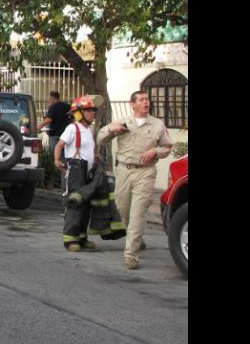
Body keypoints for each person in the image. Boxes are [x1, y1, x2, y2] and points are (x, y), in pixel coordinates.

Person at [97, 90, 172, 270]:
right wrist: (110, 129)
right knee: (123, 209)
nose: (146, 102)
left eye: (147, 99)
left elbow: (167, 147)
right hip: (124, 170)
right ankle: (137, 239)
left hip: (145, 172)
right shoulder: (123, 122)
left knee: (138, 212)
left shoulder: (157, 125)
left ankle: (131, 254)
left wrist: (155, 151)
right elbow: (101, 139)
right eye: (141, 100)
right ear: (133, 104)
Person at [54, 95, 99, 252]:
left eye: (94, 110)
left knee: (86, 205)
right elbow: (59, 146)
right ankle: (70, 239)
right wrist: (57, 160)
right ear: (79, 113)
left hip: (88, 172)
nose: (93, 113)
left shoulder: (89, 130)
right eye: (89, 110)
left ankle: (82, 238)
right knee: (75, 203)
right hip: (75, 171)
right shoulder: (72, 128)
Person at [38, 91, 72, 158]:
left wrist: (38, 127)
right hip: (66, 135)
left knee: (54, 155)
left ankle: (56, 167)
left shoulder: (53, 107)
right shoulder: (68, 106)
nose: (49, 100)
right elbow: (72, 119)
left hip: (55, 135)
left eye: (50, 99)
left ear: (53, 98)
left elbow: (48, 120)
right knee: (65, 156)